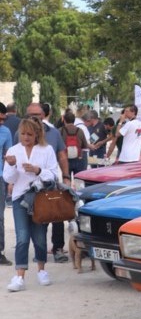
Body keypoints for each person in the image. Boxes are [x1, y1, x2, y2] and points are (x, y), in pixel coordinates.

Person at [3, 115, 58, 290]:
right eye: (22, 134)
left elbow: (53, 174)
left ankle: (42, 270)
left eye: (29, 134)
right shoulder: (13, 150)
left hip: (40, 198)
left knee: (40, 238)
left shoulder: (46, 150)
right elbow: (8, 178)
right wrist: (11, 165)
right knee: (22, 237)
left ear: (37, 134)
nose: (25, 137)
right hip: (20, 198)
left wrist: (37, 170)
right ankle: (20, 276)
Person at [28, 103, 70, 262]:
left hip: (51, 182)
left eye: (37, 115)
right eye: (30, 114)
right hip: (31, 185)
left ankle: (58, 248)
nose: (33, 118)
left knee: (57, 216)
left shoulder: (54, 133)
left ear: (43, 115)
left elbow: (62, 155)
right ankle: (40, 250)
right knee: (38, 218)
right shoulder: (22, 132)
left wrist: (66, 176)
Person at [61, 107, 91, 180]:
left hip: (65, 159)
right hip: (79, 159)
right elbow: (85, 145)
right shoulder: (80, 130)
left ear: (64, 120)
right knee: (79, 182)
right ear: (74, 120)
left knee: (66, 181)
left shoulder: (61, 131)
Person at [0, 106, 12, 266]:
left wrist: (10, 180)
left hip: (0, 178)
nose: (1, 122)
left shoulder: (6, 132)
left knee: (0, 216)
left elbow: (8, 156)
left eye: (3, 119)